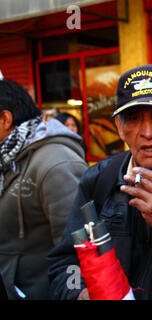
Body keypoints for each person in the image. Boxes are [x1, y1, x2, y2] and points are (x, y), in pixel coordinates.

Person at [47, 64, 152, 300]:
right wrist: (81, 294)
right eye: (133, 118)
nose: (147, 131)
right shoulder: (100, 179)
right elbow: (66, 261)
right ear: (119, 128)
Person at [0, 79, 88, 299]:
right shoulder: (6, 159)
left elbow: (77, 249)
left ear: (5, 119)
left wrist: (73, 294)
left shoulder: (57, 163)